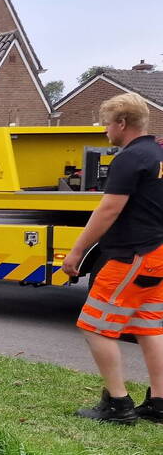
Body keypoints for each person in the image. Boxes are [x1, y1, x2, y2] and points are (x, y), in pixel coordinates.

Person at [63, 93, 163, 425]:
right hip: (157, 253)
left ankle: (119, 405)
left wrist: (77, 251)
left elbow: (108, 210)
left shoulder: (129, 158)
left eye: (107, 123)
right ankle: (159, 403)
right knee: (149, 327)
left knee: (94, 327)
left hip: (131, 256)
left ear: (122, 123)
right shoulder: (158, 154)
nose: (105, 130)